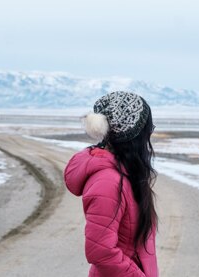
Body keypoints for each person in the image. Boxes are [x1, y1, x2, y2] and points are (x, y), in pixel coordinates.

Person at [64, 91, 158, 277]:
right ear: (133, 136)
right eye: (148, 128)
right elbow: (100, 252)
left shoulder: (126, 173)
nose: (150, 133)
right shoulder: (109, 182)